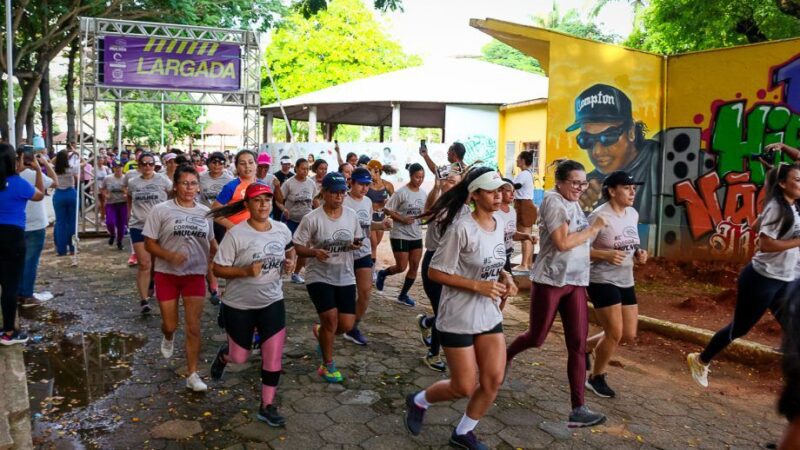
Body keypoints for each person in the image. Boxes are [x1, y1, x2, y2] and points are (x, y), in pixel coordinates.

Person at [404, 168, 517, 449]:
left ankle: (463, 432)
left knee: (493, 380)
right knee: (463, 386)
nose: (499, 195)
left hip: (489, 314)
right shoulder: (461, 228)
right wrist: (478, 286)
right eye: (491, 191)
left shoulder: (499, 223)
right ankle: (419, 401)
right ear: (475, 195)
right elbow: (435, 273)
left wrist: (506, 277)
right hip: (458, 316)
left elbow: (495, 260)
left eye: (501, 190)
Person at [505, 159, 608, 428]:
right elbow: (562, 243)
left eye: (582, 183)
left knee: (577, 343)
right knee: (536, 337)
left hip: (575, 281)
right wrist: (593, 228)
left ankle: (578, 409)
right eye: (574, 182)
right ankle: (505, 356)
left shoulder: (572, 202)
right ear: (559, 182)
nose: (579, 187)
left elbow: (579, 240)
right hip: (551, 280)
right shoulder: (553, 201)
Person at [687, 163, 800, 388]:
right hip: (762, 279)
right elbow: (765, 245)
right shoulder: (776, 208)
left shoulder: (793, 205)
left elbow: (757, 226)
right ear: (782, 184)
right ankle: (700, 360)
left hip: (786, 279)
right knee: (740, 328)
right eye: (797, 180)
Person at [208, 182, 295, 426]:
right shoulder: (237, 234)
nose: (264, 204)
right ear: (247, 205)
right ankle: (224, 356)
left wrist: (289, 264)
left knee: (273, 356)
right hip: (238, 305)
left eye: (267, 199)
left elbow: (290, 251)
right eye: (257, 200)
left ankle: (267, 405)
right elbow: (217, 268)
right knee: (240, 357)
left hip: (272, 301)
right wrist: (246, 270)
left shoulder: (281, 229)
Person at [143, 164, 216, 392]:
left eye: (193, 183)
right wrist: (169, 255)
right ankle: (168, 336)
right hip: (167, 275)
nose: (189, 188)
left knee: (193, 327)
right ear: (175, 186)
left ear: (198, 187)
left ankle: (192, 374)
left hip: (194, 275)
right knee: (170, 324)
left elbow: (211, 244)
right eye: (184, 183)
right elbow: (149, 243)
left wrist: (218, 264)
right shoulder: (161, 210)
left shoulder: (205, 212)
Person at [293, 172, 362, 383]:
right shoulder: (311, 218)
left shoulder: (351, 216)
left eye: (342, 193)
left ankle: (322, 332)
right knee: (331, 319)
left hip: (345, 275)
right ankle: (327, 364)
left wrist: (353, 245)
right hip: (318, 275)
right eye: (334, 193)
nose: (339, 197)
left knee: (346, 325)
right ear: (324, 193)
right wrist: (315, 252)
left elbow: (357, 239)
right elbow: (298, 246)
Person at [584, 171, 647, 398]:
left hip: (625, 278)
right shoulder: (599, 217)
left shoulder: (632, 213)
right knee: (614, 333)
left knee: (628, 334)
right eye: (627, 187)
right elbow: (580, 250)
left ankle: (585, 347)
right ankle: (595, 377)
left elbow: (630, 243)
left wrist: (639, 254)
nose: (632, 192)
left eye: (634, 188)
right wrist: (604, 255)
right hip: (601, 279)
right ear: (612, 191)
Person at [565, 83, 660, 223]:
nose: (597, 152)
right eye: (586, 139)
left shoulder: (661, 161)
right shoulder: (589, 186)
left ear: (631, 132)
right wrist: (575, 206)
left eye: (608, 137)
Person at [415, 170, 466, 372]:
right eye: (446, 180)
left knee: (445, 310)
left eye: (453, 181)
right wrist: (435, 187)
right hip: (434, 261)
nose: (448, 184)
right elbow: (427, 211)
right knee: (443, 310)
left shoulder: (465, 210)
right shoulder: (440, 206)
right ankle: (433, 354)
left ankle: (426, 322)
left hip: (454, 264)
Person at [0, 144, 45, 345]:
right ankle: (9, 332)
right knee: (10, 286)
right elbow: (40, 195)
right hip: (13, 237)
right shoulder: (18, 183)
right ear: (13, 161)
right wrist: (36, 169)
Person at [342, 168, 392, 346]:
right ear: (351, 183)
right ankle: (337, 324)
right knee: (345, 296)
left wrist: (382, 225)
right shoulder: (343, 200)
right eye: (361, 184)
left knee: (365, 292)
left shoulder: (368, 202)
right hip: (343, 255)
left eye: (367, 184)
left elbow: (367, 226)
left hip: (362, 252)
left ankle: (353, 327)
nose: (364, 188)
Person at [126, 152, 172, 315]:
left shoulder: (162, 180)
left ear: (155, 165)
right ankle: (144, 300)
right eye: (144, 163)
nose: (147, 166)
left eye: (150, 163)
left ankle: (154, 283)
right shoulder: (132, 182)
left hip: (159, 226)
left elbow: (172, 193)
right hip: (138, 225)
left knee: (157, 263)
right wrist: (128, 215)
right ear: (139, 166)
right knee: (144, 263)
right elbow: (129, 199)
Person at [376, 163, 427, 306]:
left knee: (415, 266)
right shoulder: (401, 193)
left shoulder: (423, 193)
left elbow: (425, 211)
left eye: (422, 177)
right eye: (417, 177)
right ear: (411, 176)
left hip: (416, 234)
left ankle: (403, 295)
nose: (420, 180)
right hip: (400, 234)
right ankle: (383, 274)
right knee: (401, 267)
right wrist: (402, 219)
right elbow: (387, 209)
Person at [17, 145, 54, 309]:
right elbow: (53, 184)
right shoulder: (33, 175)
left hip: (16, 225)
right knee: (31, 261)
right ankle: (27, 294)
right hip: (35, 223)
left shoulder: (9, 177)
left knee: (17, 261)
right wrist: (42, 166)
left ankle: (18, 292)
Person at [199, 151, 235, 304]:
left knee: (226, 253)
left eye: (221, 162)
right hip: (206, 219)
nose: (217, 165)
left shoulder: (229, 179)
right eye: (214, 162)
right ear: (208, 164)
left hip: (222, 220)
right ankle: (214, 288)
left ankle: (230, 288)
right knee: (210, 253)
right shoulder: (201, 179)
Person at [280, 158, 319, 284]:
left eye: (307, 169)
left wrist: (320, 212)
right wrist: (284, 209)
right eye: (302, 168)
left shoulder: (311, 184)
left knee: (304, 249)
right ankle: (283, 269)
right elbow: (278, 199)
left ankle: (296, 273)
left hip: (305, 221)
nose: (305, 171)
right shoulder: (289, 183)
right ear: (296, 168)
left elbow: (315, 200)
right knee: (288, 247)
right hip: (290, 220)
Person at [211, 150, 258, 244]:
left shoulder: (262, 185)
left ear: (256, 164)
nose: (247, 166)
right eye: (242, 163)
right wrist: (234, 228)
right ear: (236, 167)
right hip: (235, 238)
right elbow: (214, 212)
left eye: (250, 162)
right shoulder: (231, 186)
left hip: (256, 235)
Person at [366, 160, 395, 277]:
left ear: (376, 171)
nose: (368, 172)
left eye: (370, 170)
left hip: (381, 217)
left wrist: (388, 204)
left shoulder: (387, 185)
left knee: (374, 245)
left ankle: (366, 265)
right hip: (370, 217)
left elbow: (396, 201)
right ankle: (372, 272)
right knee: (373, 245)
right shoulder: (367, 185)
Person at [513, 150, 538, 271]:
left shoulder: (523, 174)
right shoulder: (527, 173)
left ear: (522, 161)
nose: (517, 160)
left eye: (518, 158)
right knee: (528, 235)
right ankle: (528, 264)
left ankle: (524, 264)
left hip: (523, 205)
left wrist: (504, 183)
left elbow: (516, 186)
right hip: (525, 204)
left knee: (525, 236)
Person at [52, 149, 78, 256]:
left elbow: (50, 162)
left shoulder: (54, 169)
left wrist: (59, 156)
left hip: (59, 195)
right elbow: (84, 163)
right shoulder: (71, 168)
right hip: (71, 194)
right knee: (73, 223)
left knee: (60, 223)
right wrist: (76, 154)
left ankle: (61, 250)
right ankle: (73, 248)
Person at [101, 160, 128, 250]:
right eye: (116, 167)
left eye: (120, 167)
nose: (118, 169)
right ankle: (112, 234)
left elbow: (131, 190)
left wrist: (126, 194)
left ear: (122, 168)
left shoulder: (126, 178)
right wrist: (105, 195)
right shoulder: (108, 178)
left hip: (123, 203)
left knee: (121, 224)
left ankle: (119, 241)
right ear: (113, 168)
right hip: (111, 204)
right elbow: (102, 188)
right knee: (110, 222)